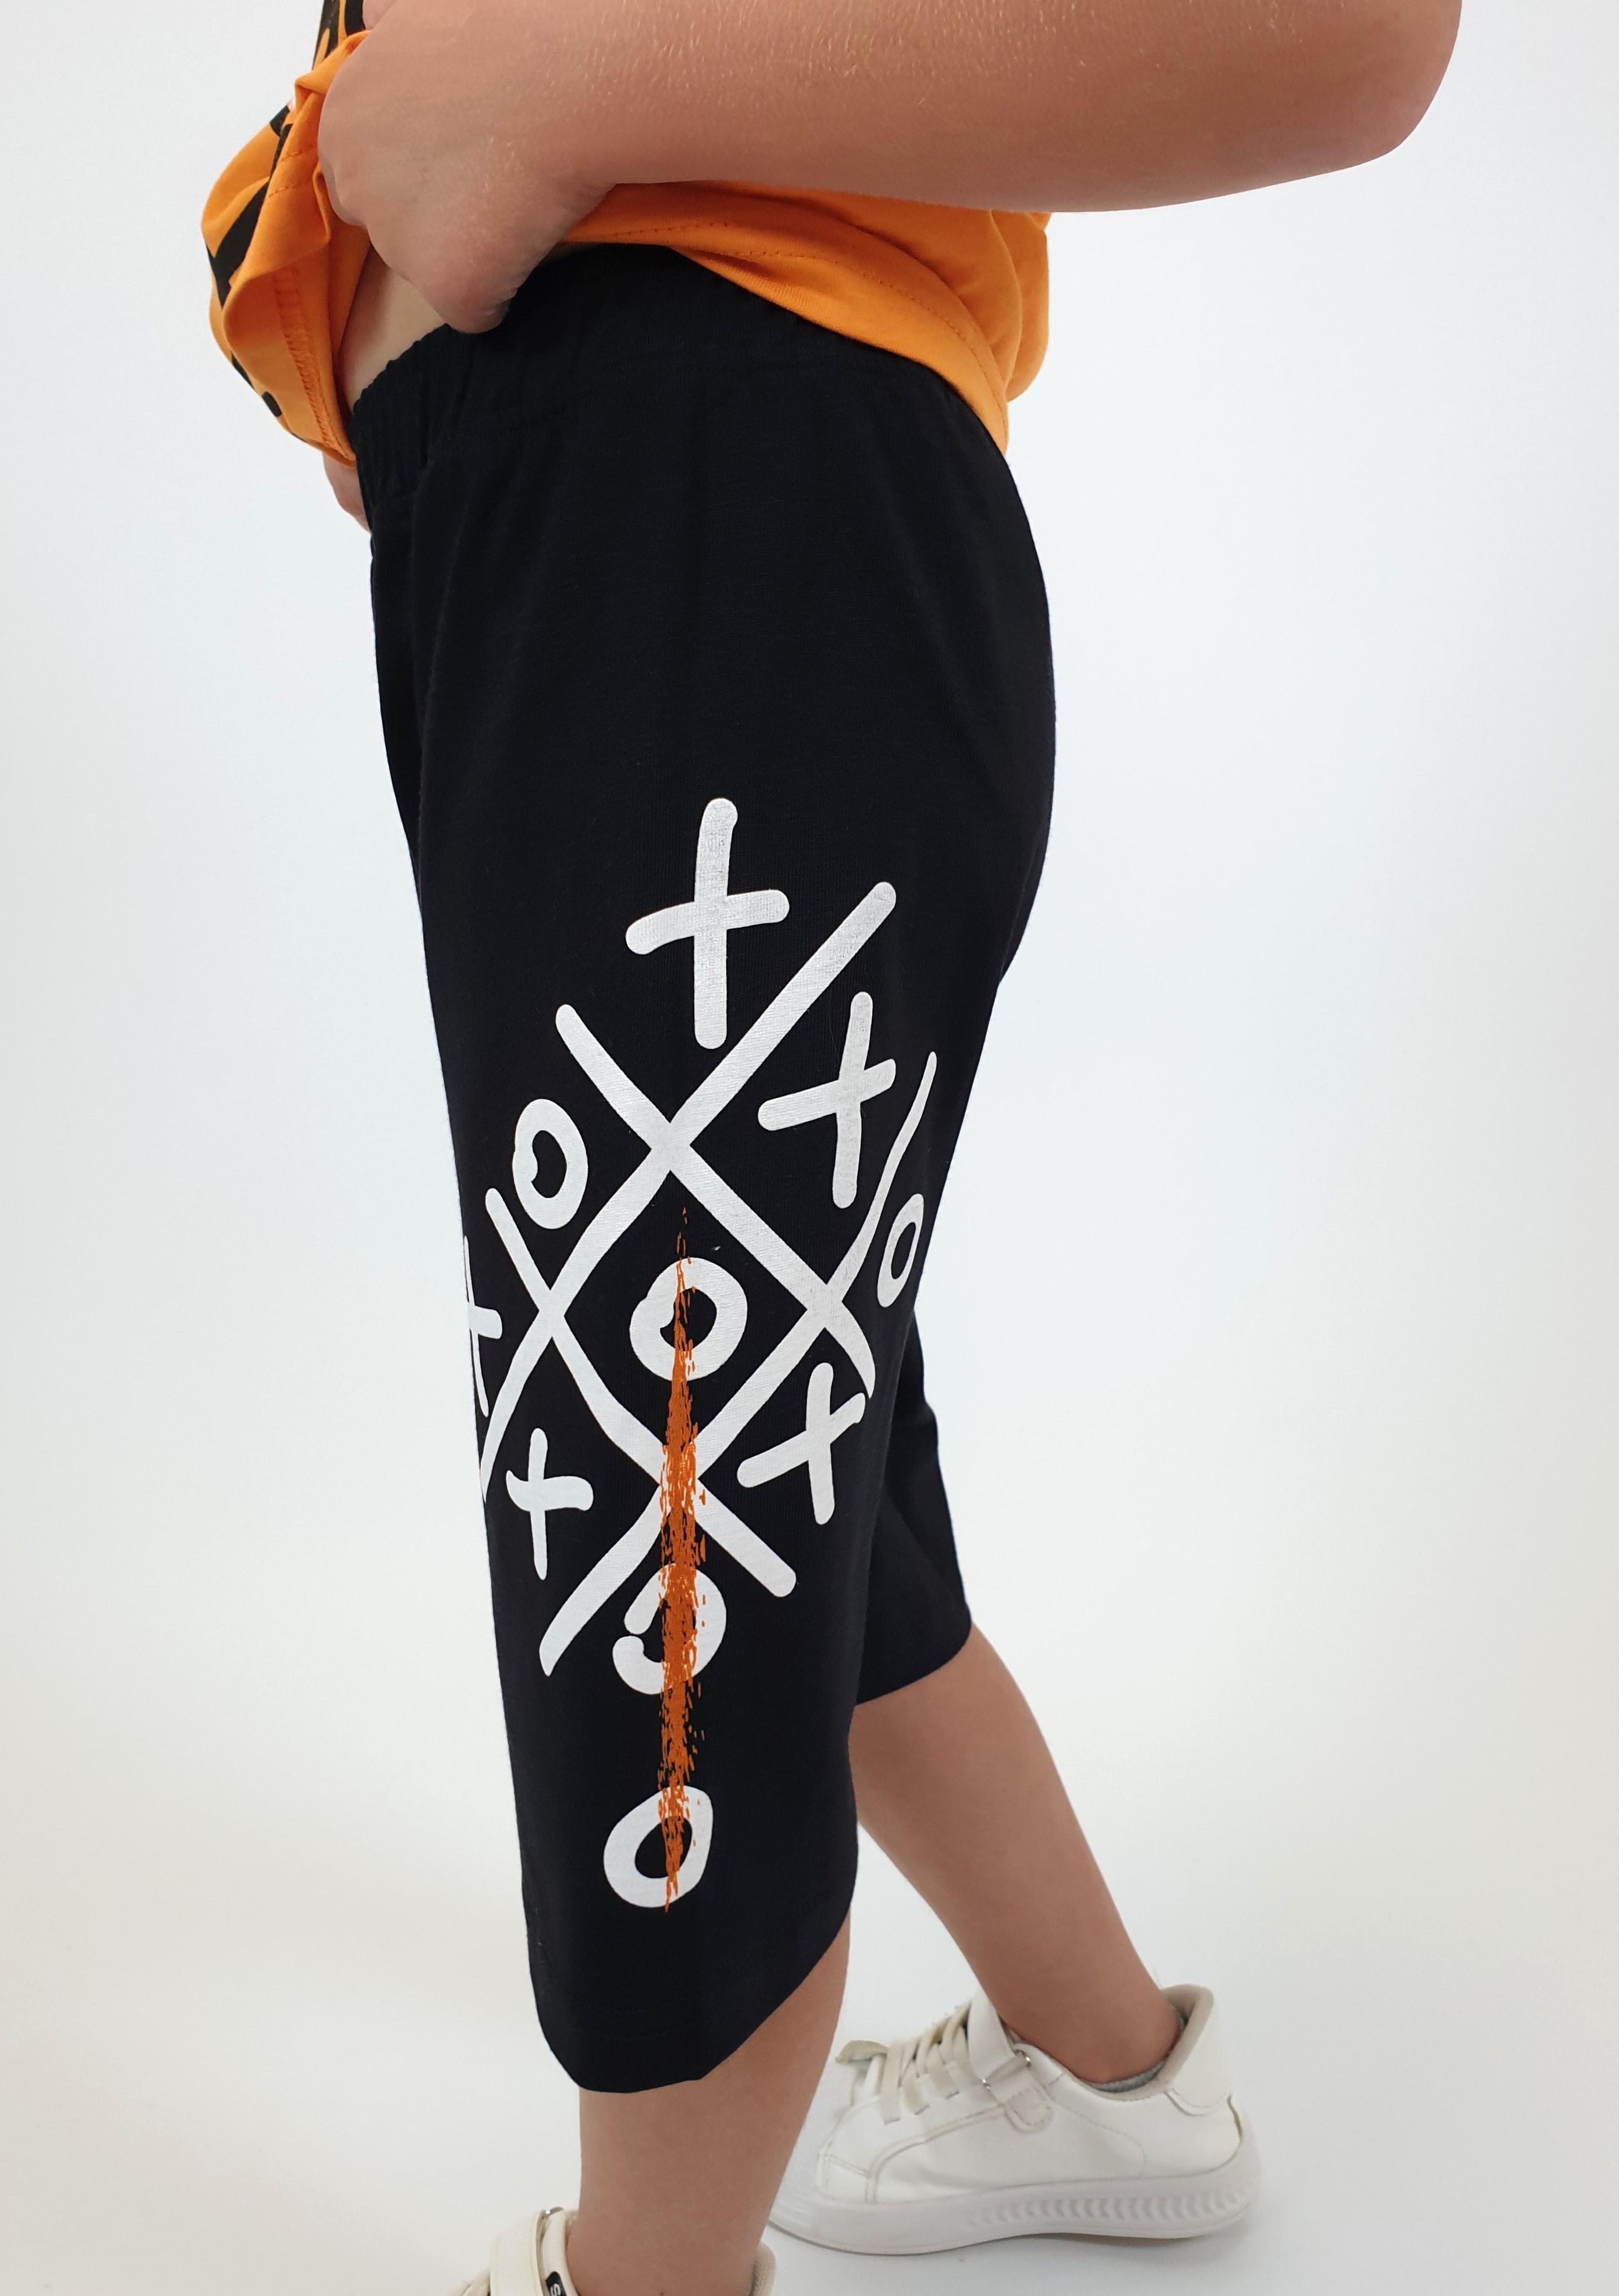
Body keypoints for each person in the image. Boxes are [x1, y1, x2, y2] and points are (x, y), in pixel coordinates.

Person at [202, 6, 1460, 2292]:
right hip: (611, 497)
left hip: (715, 485)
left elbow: (1344, 35)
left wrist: (555, 98)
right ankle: (1102, 2069)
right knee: (778, 1431)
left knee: (654, 1479)